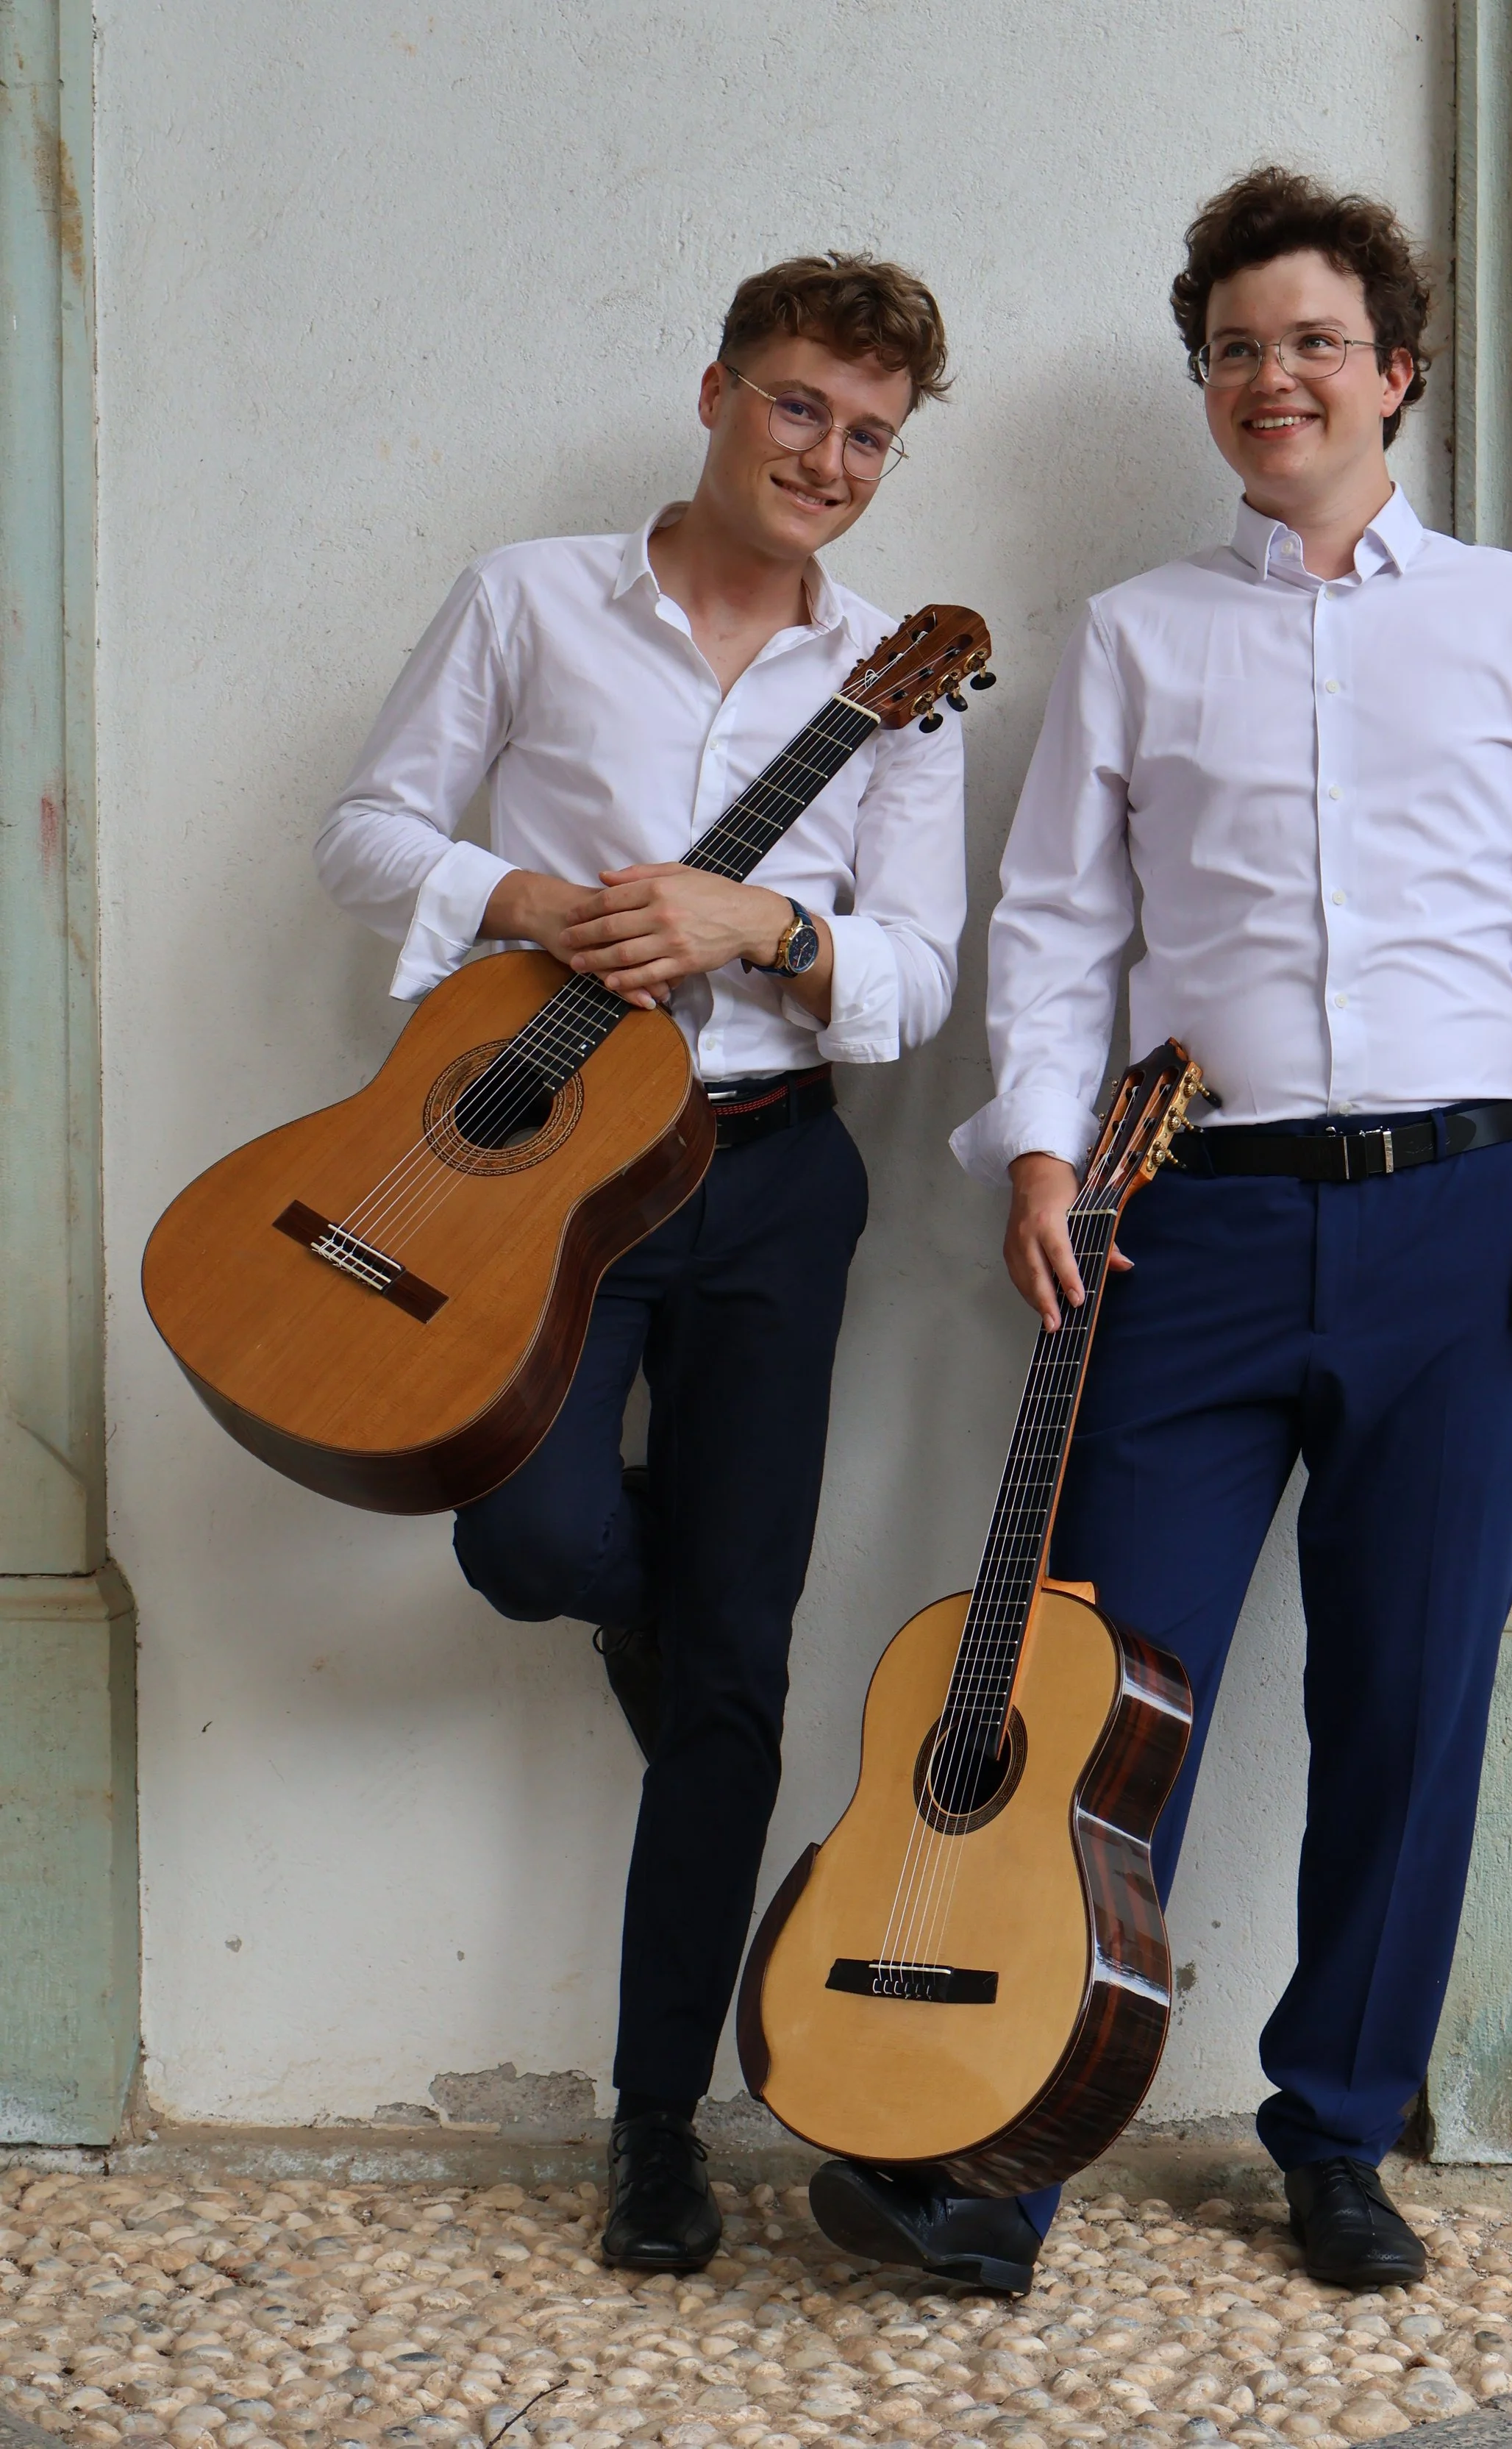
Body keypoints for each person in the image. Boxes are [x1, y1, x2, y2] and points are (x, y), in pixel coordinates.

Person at [807, 166, 1512, 2296]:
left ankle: (1340, 2132)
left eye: (1309, 340)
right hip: (1176, 1228)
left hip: (1459, 1229)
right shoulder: (1132, 635)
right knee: (1087, 1698)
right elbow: (1059, 924)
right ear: (1202, 388)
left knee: (1409, 1695)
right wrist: (1034, 1147)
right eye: (1229, 348)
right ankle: (1001, 2154)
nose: (1269, 376)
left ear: (1392, 370)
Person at [314, 253, 967, 2274]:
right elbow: (363, 831)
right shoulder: (527, 601)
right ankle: (666, 1626)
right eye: (796, 408)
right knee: (525, 1537)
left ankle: (657, 2126)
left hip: (773, 1180)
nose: (828, 460)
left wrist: (756, 930)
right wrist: (522, 894)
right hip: (543, 1177)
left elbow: (922, 968)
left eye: (867, 432)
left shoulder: (898, 675)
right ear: (715, 390)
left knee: (744, 1675)